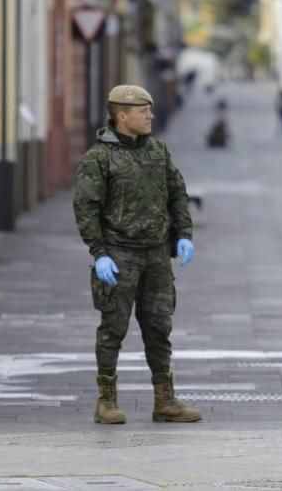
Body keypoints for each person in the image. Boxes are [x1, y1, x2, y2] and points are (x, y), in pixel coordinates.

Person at [73, 84, 202, 425]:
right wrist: (99, 253)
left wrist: (184, 235)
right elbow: (86, 207)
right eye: (143, 111)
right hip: (119, 255)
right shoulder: (99, 158)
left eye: (150, 110)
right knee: (113, 328)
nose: (150, 116)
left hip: (157, 255)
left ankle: (165, 400)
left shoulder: (158, 151)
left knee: (159, 327)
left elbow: (177, 193)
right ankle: (106, 401)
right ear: (121, 116)